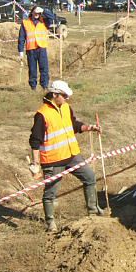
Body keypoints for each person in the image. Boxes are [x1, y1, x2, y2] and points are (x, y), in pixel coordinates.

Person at [28, 80, 104, 232]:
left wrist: (90, 127)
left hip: (72, 155)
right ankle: (50, 223)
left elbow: (74, 125)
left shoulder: (66, 108)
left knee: (89, 177)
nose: (66, 98)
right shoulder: (42, 114)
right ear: (55, 94)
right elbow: (35, 141)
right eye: (64, 95)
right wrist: (36, 163)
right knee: (50, 192)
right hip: (53, 160)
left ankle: (93, 211)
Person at [18, 6, 51, 91]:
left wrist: (43, 10)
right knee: (32, 69)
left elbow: (52, 16)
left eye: (38, 13)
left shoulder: (44, 21)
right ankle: (33, 87)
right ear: (32, 12)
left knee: (44, 69)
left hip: (41, 48)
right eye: (35, 12)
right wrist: (20, 51)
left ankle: (44, 86)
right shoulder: (25, 23)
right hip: (31, 49)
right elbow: (21, 37)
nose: (37, 14)